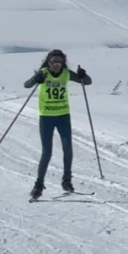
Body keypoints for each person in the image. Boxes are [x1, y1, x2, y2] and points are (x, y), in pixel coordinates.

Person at [23, 50, 92, 200]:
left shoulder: (66, 73)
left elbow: (87, 82)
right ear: (48, 62)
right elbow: (26, 85)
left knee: (68, 148)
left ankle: (67, 181)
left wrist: (82, 75)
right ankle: (38, 185)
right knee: (47, 152)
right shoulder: (44, 73)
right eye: (54, 61)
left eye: (59, 62)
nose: (56, 64)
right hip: (47, 117)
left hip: (63, 116)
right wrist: (36, 78)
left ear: (63, 63)